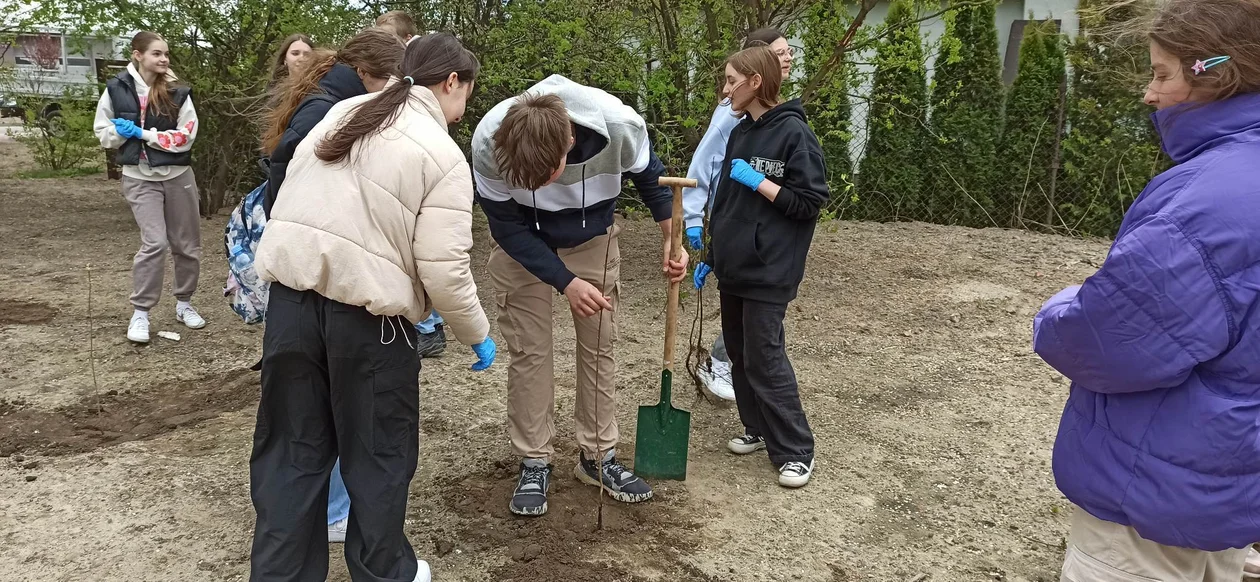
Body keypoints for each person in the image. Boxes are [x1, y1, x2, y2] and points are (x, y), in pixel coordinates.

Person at [250, 33, 492, 582]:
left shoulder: (341, 113)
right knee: (378, 457)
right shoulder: (442, 155)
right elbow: (445, 268)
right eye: (464, 98)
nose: (461, 113)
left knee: (291, 455)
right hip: (372, 326)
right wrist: (475, 332)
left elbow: (284, 194)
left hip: (290, 309)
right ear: (450, 83)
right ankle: (385, 573)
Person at [1031, 0, 1260, 579]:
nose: (1148, 94)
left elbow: (1112, 341)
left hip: (1155, 488)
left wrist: (1057, 309)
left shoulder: (1209, 200)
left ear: (1217, 73)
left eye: (1162, 74)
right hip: (1232, 481)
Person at [473, 76, 689, 516]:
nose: (535, 187)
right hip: (521, 245)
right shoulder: (487, 141)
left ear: (570, 142)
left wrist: (672, 240)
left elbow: (652, 182)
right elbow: (506, 225)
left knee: (598, 343)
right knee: (531, 351)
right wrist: (565, 282)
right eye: (525, 179)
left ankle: (597, 457)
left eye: (544, 176)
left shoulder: (622, 126)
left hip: (592, 238)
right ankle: (535, 461)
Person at [257, 26, 405, 545]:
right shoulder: (328, 109)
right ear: (370, 74)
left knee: (308, 417)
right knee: (330, 412)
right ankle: (334, 513)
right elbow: (291, 176)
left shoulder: (329, 96)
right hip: (320, 288)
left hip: (309, 282)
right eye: (391, 82)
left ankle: (319, 519)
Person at [694, 44, 827, 489]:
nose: (725, 89)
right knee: (739, 352)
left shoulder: (794, 134)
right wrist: (711, 256)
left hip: (770, 268)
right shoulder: (740, 131)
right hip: (735, 265)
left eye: (732, 80)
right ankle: (756, 428)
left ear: (755, 82)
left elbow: (809, 202)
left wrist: (763, 183)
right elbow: (727, 203)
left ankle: (795, 450)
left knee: (765, 356)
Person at [683, 27, 796, 402]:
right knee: (750, 316)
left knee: (756, 317)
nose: (788, 58)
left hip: (757, 227)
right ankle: (720, 363)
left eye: (788, 52)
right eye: (780, 53)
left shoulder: (780, 118)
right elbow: (703, 163)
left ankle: (734, 372)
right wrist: (695, 217)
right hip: (732, 219)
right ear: (758, 67)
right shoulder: (731, 112)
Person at [93, 31, 205, 344]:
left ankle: (184, 303)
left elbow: (185, 136)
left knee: (187, 245)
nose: (164, 59)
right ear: (137, 54)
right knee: (155, 243)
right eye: (157, 53)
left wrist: (141, 134)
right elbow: (103, 131)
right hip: (139, 177)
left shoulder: (178, 91)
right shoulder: (116, 89)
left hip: (178, 176)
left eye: (166, 54)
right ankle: (141, 312)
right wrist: (119, 133)